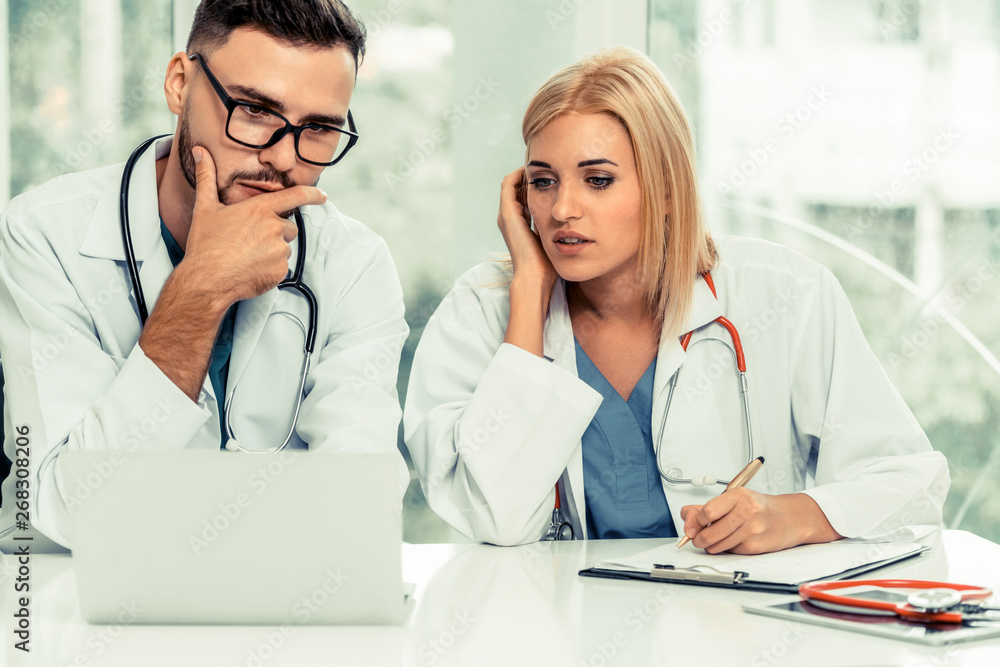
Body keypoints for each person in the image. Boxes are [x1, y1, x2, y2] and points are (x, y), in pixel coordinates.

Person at [403, 47, 949, 553]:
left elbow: (912, 485)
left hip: (730, 636)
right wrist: (527, 294)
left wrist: (797, 515)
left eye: (597, 180)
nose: (563, 209)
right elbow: (495, 522)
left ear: (666, 188)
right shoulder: (482, 310)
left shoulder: (787, 293)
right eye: (543, 182)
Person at [0, 0, 408, 549]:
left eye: (318, 128)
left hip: (281, 609)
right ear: (179, 84)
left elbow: (358, 508)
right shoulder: (43, 234)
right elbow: (64, 509)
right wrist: (202, 288)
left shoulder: (354, 264)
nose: (284, 159)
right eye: (256, 111)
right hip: (69, 609)